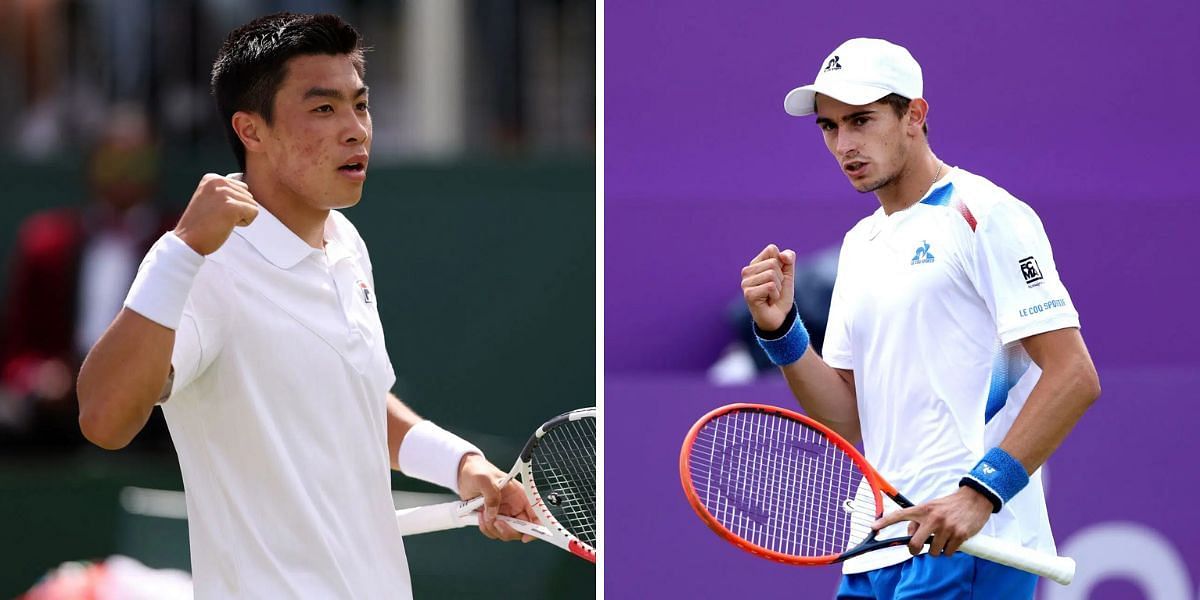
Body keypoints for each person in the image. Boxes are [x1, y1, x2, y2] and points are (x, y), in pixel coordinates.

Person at [76, 13, 534, 599]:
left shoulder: (345, 242)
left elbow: (355, 401)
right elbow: (103, 419)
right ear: (252, 130)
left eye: (360, 105)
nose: (356, 130)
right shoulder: (203, 268)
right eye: (324, 109)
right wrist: (183, 250)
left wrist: (461, 465)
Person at [739, 38, 1100, 599]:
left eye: (861, 120)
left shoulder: (986, 214)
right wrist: (781, 331)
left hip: (973, 543)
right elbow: (848, 419)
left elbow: (1074, 375)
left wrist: (981, 493)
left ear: (915, 115)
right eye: (830, 127)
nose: (845, 144)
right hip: (876, 549)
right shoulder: (860, 244)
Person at [0, 107, 174, 452]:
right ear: (92, 166)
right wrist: (38, 376)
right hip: (61, 405)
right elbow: (17, 347)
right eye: (112, 163)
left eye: (136, 164)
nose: (124, 176)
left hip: (152, 404)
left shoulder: (179, 241)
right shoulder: (46, 243)